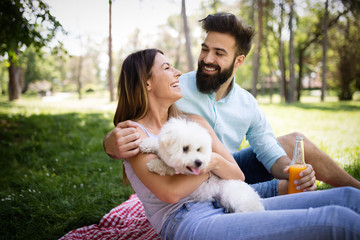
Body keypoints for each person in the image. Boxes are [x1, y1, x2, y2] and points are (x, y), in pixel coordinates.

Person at [113, 48, 360, 239]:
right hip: (187, 219)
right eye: (167, 67)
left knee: (349, 198)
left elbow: (236, 174)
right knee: (338, 221)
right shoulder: (134, 135)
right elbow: (170, 192)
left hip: (225, 195)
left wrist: (214, 162)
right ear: (146, 82)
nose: (177, 72)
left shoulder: (192, 121)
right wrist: (213, 164)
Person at [104, 13, 360, 197]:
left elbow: (267, 150)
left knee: (295, 142)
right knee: (288, 190)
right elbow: (140, 111)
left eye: (219, 53)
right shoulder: (177, 86)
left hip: (229, 170)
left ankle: (355, 189)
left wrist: (293, 172)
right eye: (205, 49)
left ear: (238, 61)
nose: (206, 59)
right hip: (192, 173)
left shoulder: (246, 103)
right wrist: (110, 144)